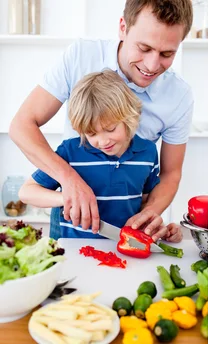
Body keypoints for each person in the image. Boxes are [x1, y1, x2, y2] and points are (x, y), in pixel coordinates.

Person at [9, 0, 195, 241]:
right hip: (72, 224)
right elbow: (22, 125)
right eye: (144, 48)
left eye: (167, 54)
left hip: (126, 226)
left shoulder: (179, 96)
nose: (152, 65)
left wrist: (148, 217)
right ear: (123, 27)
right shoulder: (81, 56)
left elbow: (170, 174)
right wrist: (70, 182)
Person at [18, 70, 181, 242]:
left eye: (110, 129)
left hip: (123, 252)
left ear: (129, 116)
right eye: (91, 133)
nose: (103, 141)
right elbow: (26, 192)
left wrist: (156, 228)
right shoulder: (71, 151)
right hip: (74, 252)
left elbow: (145, 207)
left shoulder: (147, 152)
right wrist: (65, 198)